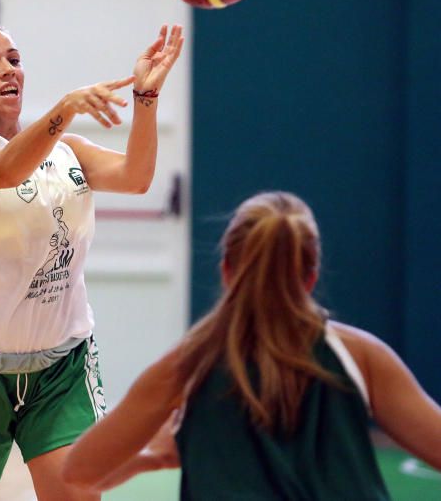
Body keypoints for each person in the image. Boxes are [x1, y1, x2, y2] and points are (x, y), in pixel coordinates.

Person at [0, 21, 184, 500]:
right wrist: (66, 107)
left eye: (14, 59)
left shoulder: (66, 152)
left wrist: (146, 97)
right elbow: (6, 168)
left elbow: (136, 176)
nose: (7, 70)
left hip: (61, 370)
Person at [62, 191, 441, 499]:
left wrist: (156, 455)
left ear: (227, 269)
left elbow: (81, 470)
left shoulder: (188, 364)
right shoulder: (362, 356)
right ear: (311, 276)